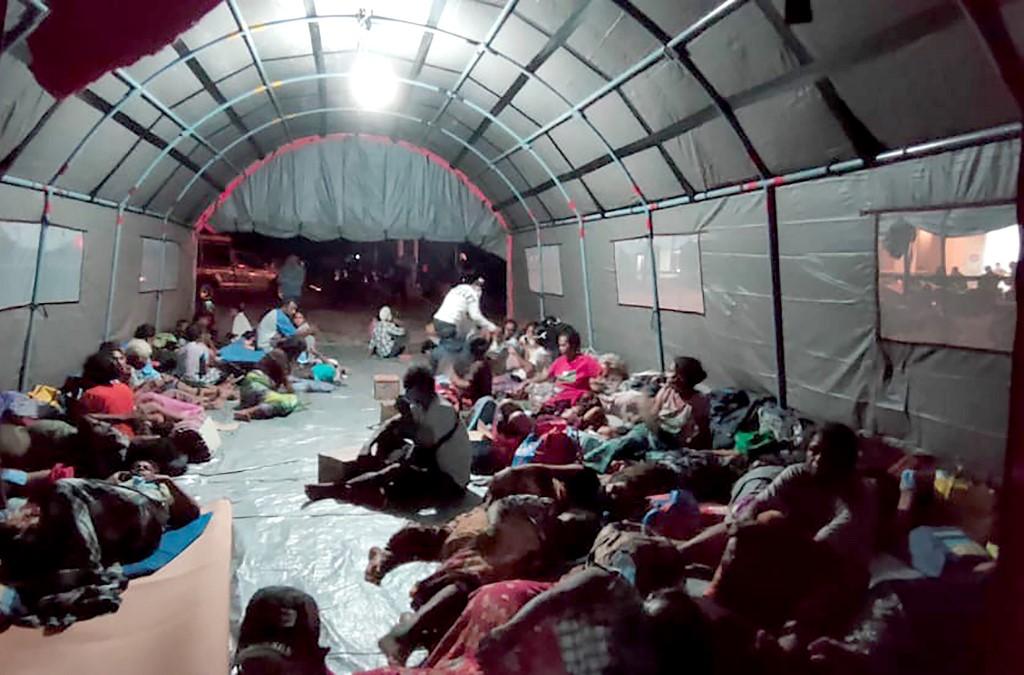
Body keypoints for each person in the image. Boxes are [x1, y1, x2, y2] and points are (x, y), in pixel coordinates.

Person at [304, 366, 471, 510]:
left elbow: (424, 448)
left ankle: (335, 489)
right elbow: (391, 424)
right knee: (389, 440)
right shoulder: (421, 405)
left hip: (450, 480)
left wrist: (406, 416)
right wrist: (368, 445)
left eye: (409, 389)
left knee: (398, 474)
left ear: (421, 389)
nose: (406, 393)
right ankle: (371, 479)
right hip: (431, 464)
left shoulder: (442, 410)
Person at [527, 326, 601, 413]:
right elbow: (546, 376)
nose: (560, 348)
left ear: (573, 345)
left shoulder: (586, 361)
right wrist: (529, 381)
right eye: (559, 345)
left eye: (563, 345)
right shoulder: (560, 361)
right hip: (558, 396)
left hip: (576, 399)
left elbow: (601, 375)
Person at [431, 274, 497, 355]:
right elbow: (475, 315)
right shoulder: (474, 293)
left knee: (447, 346)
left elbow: (464, 313)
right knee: (453, 352)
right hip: (449, 324)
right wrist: (492, 327)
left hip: (438, 319)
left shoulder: (459, 288)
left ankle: (436, 358)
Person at [77, 351, 137, 438]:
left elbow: (80, 420)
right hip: (129, 437)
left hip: (106, 440)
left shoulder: (92, 394)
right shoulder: (125, 388)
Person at [234, 350, 301, 421]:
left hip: (249, 389)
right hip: (256, 386)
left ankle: (252, 408)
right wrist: (292, 395)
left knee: (274, 398)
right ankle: (248, 412)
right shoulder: (280, 355)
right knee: (290, 400)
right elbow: (286, 383)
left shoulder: (273, 354)